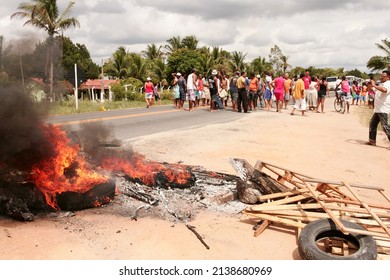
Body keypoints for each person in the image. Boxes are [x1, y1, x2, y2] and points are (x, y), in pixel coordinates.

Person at [365, 70, 390, 148]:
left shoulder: (388, 84)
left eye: (383, 75)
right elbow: (371, 90)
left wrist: (375, 85)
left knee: (385, 126)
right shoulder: (382, 84)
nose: (381, 77)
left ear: (388, 77)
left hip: (383, 109)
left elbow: (384, 90)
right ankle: (372, 141)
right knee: (372, 124)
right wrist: (370, 85)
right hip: (378, 109)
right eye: (381, 75)